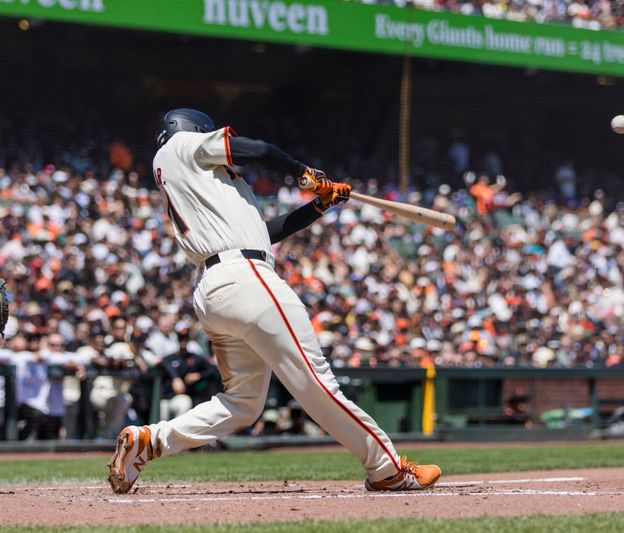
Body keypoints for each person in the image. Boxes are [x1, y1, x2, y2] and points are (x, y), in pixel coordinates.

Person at [108, 108, 440, 494]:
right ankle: (388, 468)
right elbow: (258, 148)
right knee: (317, 380)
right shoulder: (184, 146)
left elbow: (262, 234)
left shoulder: (195, 180)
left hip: (217, 287)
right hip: (246, 280)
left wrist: (318, 205)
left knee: (243, 402)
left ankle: (151, 440)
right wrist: (304, 173)